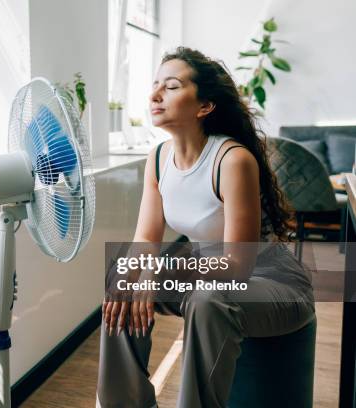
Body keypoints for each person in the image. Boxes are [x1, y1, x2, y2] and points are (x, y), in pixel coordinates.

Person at [96, 47, 315, 408]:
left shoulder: (232, 160)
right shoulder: (158, 158)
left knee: (207, 299)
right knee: (121, 277)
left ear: (204, 106)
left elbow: (238, 265)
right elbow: (146, 238)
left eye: (171, 86)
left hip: (272, 284)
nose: (154, 95)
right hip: (208, 275)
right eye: (155, 85)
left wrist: (160, 272)